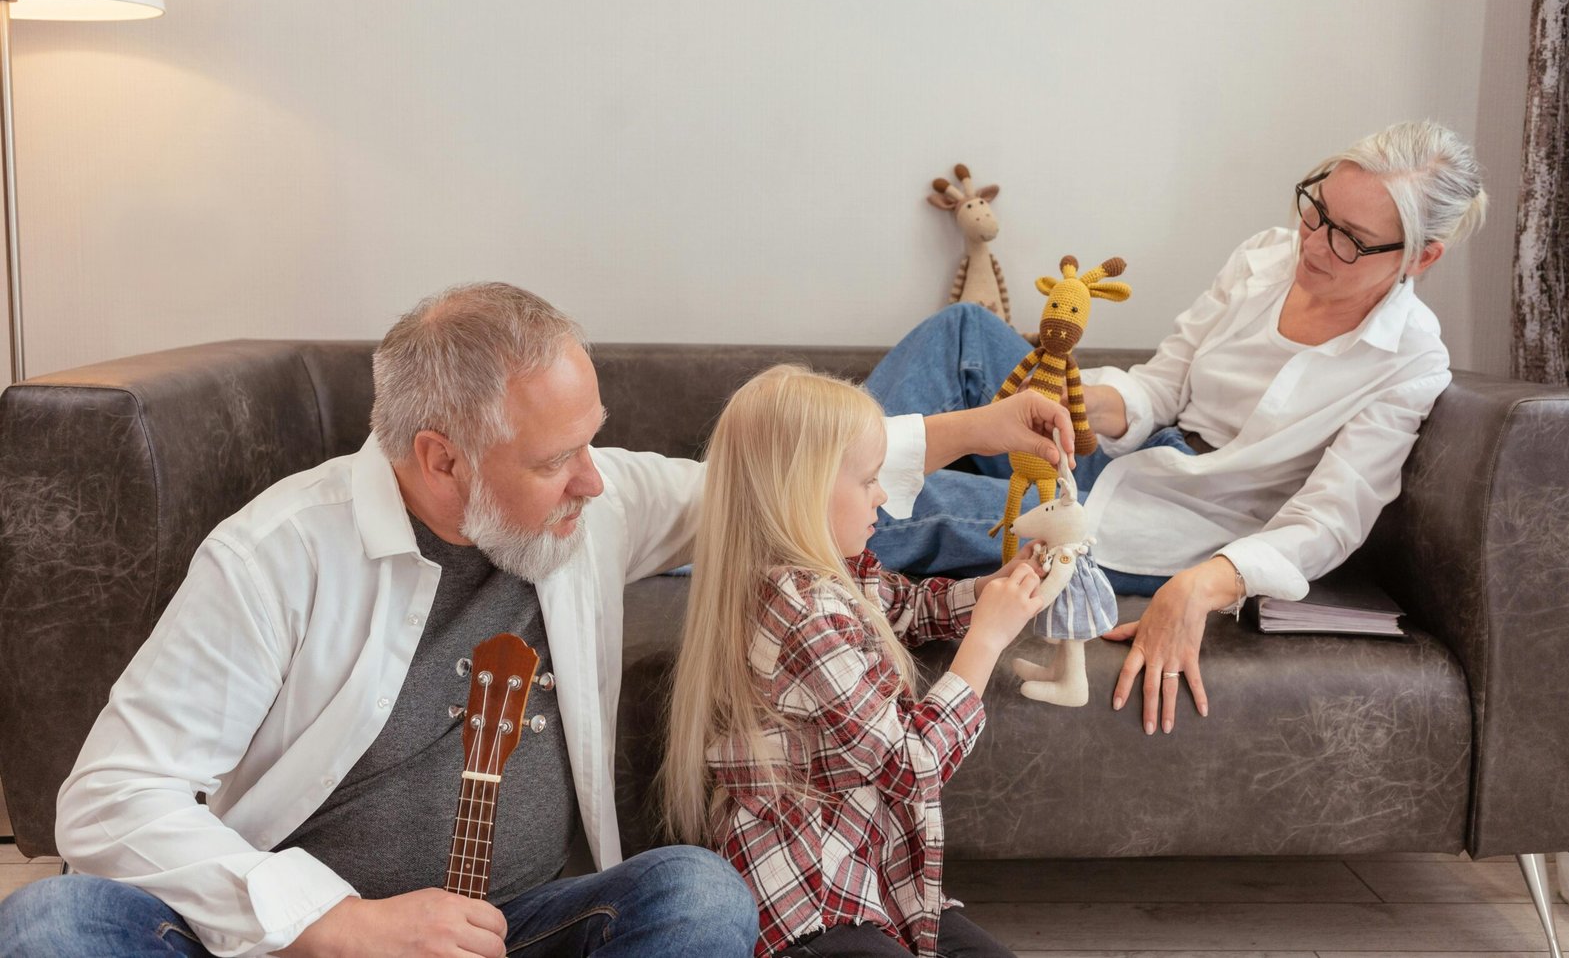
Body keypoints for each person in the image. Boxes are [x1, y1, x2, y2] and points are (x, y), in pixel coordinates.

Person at [0, 283, 1078, 958]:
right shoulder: (277, 552)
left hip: (523, 928)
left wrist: (972, 425)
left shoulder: (588, 504)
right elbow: (106, 800)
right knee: (50, 924)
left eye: (590, 442)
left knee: (699, 896)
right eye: (554, 459)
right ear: (439, 458)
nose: (593, 482)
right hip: (295, 940)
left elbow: (762, 484)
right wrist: (333, 920)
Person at [862, 120, 1487, 738]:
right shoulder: (1264, 256)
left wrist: (1202, 585)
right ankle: (811, 467)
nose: (1316, 243)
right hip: (1128, 455)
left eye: (1350, 238)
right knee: (965, 331)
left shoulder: (1410, 362)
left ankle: (798, 527)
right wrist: (1074, 403)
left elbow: (1327, 523)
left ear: (1419, 256)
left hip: (1183, 521)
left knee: (911, 508)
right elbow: (1163, 388)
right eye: (1317, 211)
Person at [660, 365, 1048, 958]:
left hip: (873, 884)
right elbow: (912, 765)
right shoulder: (798, 611)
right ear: (805, 489)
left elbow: (911, 606)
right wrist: (984, 646)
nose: (884, 495)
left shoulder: (832, 576)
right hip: (808, 904)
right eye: (869, 479)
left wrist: (998, 588)